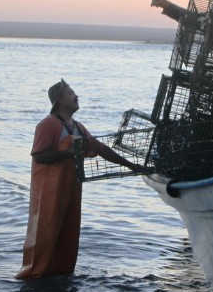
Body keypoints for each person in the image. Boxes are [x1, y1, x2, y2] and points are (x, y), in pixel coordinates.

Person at [15, 79, 142, 280]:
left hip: (71, 190)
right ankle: (32, 276)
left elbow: (100, 149)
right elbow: (39, 155)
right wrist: (68, 154)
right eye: (70, 92)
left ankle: (61, 276)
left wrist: (131, 165)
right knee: (44, 235)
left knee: (68, 235)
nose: (76, 95)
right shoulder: (48, 124)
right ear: (58, 100)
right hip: (48, 193)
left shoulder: (78, 127)